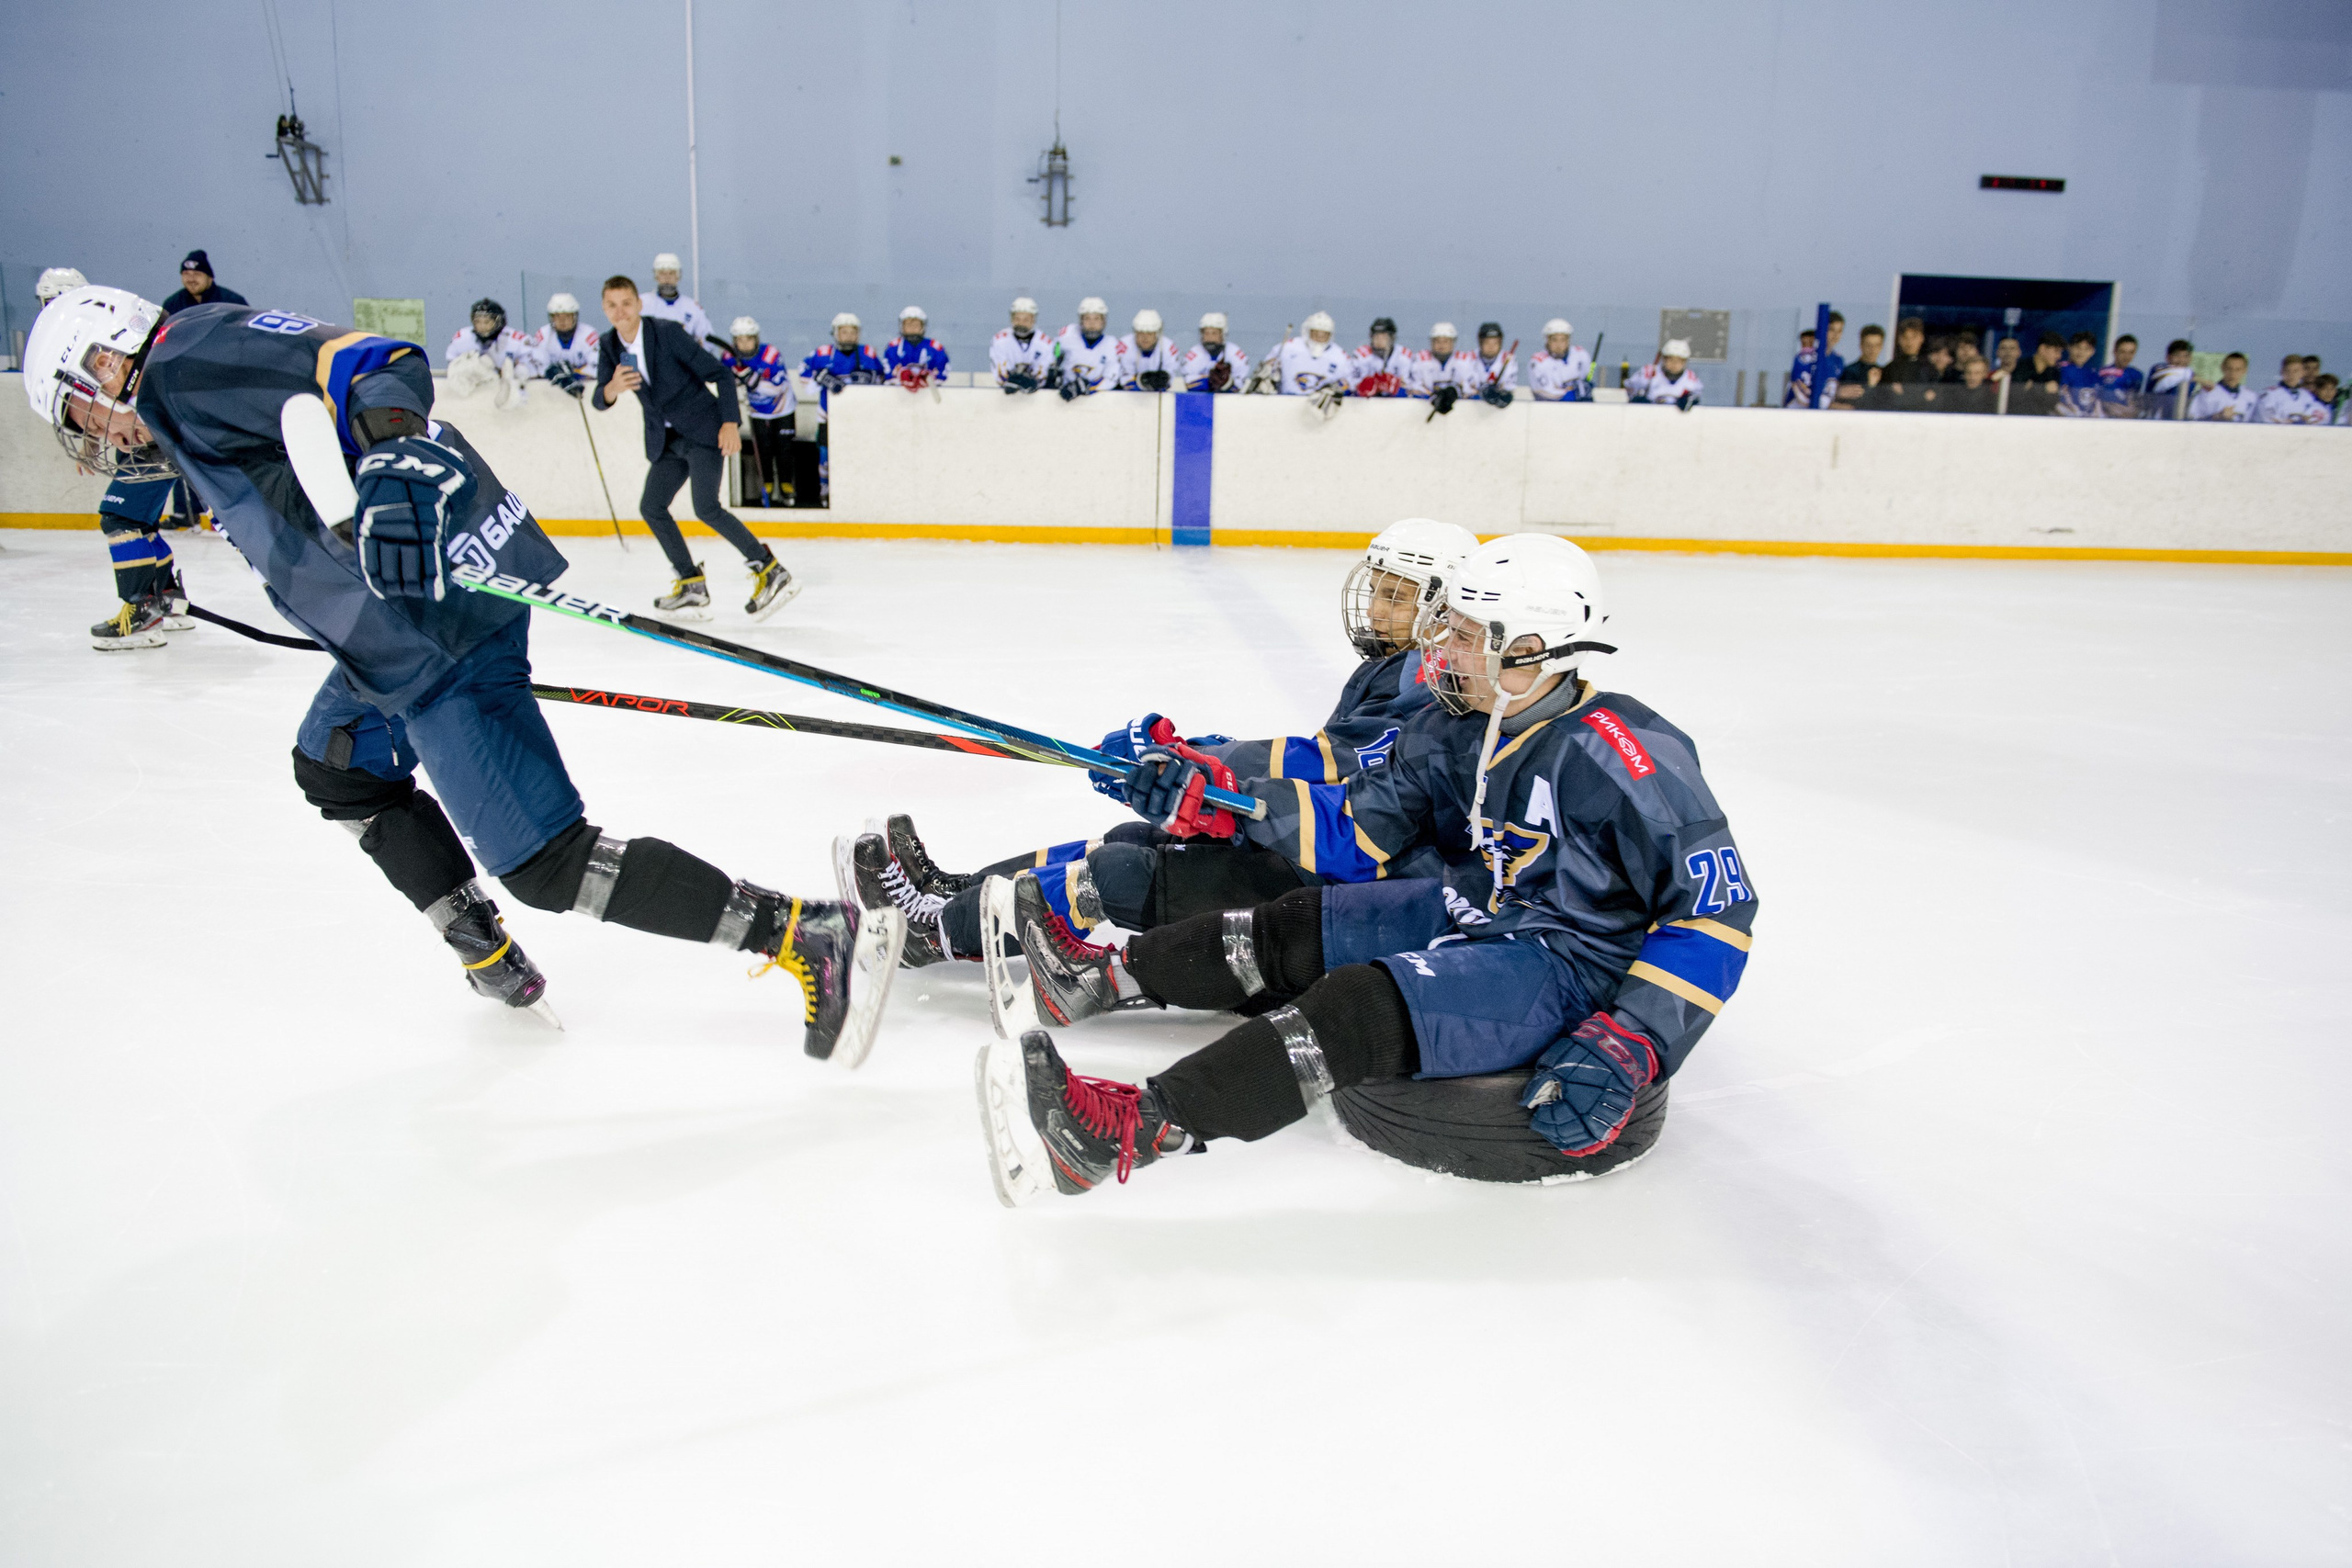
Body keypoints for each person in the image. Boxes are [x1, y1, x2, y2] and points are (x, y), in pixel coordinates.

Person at [23, 284, 899, 1047]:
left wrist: (399, 460)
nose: (90, 432)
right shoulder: (187, 375)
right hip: (395, 634)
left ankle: (805, 935)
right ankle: (484, 949)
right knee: (335, 764)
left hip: (433, 631)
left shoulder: (185, 359)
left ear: (100, 365)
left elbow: (367, 360)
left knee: (549, 865)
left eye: (77, 410)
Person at [976, 534, 1755, 1201]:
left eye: (1464, 634)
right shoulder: (1457, 728)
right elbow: (1356, 827)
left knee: (1358, 1004)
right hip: (1492, 907)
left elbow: (1716, 910)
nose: (1439, 648)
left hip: (1579, 963)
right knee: (1298, 923)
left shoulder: (1628, 754)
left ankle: (1124, 1132)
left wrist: (1633, 1037)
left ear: (1526, 652)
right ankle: (1107, 978)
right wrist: (1213, 799)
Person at [854, 519, 1482, 968]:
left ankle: (937, 931)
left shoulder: (1431, 687)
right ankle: (955, 892)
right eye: (1377, 586)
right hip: (1335, 848)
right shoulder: (1400, 667)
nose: (1374, 604)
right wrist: (1196, 756)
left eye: (1396, 594)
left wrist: (1197, 758)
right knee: (1130, 838)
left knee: (1126, 865)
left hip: (1364, 880)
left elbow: (1326, 765)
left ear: (1440, 605)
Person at [594, 275, 796, 618]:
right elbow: (600, 398)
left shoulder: (667, 333)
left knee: (706, 507)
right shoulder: (610, 345)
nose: (620, 312)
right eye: (612, 305)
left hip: (704, 430)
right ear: (604, 309)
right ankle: (691, 584)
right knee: (652, 506)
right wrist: (612, 387)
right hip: (667, 439)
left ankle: (770, 569)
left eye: (626, 303)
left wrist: (730, 423)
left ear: (639, 304)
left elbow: (720, 374)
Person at [723, 317, 797, 507]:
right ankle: (767, 487)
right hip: (757, 410)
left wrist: (750, 378)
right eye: (740, 339)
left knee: (784, 450)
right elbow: (722, 381)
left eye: (749, 338)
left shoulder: (771, 354)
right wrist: (735, 380)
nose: (745, 343)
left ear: (756, 338)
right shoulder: (728, 356)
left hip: (782, 408)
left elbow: (778, 387)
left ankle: (787, 487)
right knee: (764, 450)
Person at [444, 298, 537, 407]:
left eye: (487, 322)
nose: (482, 327)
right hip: (474, 393)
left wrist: (518, 371)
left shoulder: (515, 339)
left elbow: (533, 366)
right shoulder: (462, 338)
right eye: (478, 322)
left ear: (498, 321)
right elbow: (452, 364)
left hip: (504, 392)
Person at [640, 252, 723, 353]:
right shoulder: (642, 303)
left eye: (671, 273)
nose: (667, 278)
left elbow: (708, 340)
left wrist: (697, 349)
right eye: (662, 273)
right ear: (656, 276)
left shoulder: (692, 307)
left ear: (678, 276)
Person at [528, 293, 600, 396]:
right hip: (552, 395)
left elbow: (596, 367)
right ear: (552, 318)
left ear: (575, 317)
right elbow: (538, 368)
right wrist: (553, 372)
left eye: (567, 316)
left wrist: (574, 373)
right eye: (557, 316)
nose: (562, 321)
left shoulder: (589, 335)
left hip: (585, 393)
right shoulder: (543, 335)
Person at [1051, 297, 1121, 400]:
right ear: (1081, 320)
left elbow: (1111, 378)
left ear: (1104, 321)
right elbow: (1054, 354)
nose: (1092, 323)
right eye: (1087, 318)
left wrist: (1087, 386)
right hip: (1065, 398)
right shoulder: (1067, 336)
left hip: (1098, 403)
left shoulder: (1113, 345)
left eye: (1096, 318)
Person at [1268, 311, 1350, 399]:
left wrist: (1338, 390)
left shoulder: (1340, 356)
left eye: (1324, 334)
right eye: (1315, 333)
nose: (1319, 338)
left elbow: (1348, 384)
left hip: (1321, 405)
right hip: (1287, 400)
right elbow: (1267, 368)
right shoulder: (1287, 347)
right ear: (1307, 331)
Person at [990, 297, 1055, 392]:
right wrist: (1012, 381)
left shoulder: (1045, 343)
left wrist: (1032, 382)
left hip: (1036, 397)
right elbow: (1001, 375)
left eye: (1026, 319)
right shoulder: (1000, 340)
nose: (1021, 323)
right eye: (1017, 319)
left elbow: (1042, 375)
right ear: (1011, 319)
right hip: (1006, 397)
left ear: (1033, 320)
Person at [1408, 322, 1474, 412]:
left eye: (1446, 341)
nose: (1441, 345)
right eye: (1437, 341)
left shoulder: (1464, 361)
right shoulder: (1420, 360)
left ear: (1453, 342)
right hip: (1425, 410)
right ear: (1431, 342)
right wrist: (1431, 395)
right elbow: (1413, 387)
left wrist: (1455, 392)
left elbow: (1471, 388)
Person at [881, 305, 951, 389]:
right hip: (898, 395)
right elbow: (889, 374)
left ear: (923, 326)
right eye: (908, 324)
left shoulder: (935, 347)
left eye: (916, 324)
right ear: (902, 326)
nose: (912, 328)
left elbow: (942, 372)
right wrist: (901, 377)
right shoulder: (893, 347)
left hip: (927, 395)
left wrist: (930, 378)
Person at [159, 250, 245, 316]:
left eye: (197, 274)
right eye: (186, 274)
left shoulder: (233, 302)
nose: (191, 279)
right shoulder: (172, 304)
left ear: (210, 278)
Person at [1113, 310, 1183, 390]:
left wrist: (1164, 380)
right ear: (1135, 332)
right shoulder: (1124, 346)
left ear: (1157, 334)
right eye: (1141, 333)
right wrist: (1142, 380)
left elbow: (1168, 380)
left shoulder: (1169, 348)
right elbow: (1126, 382)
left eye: (1149, 333)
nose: (1145, 338)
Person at [1526, 319, 1592, 401]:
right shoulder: (1538, 362)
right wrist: (1572, 394)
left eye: (1563, 340)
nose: (1559, 345)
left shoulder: (1580, 355)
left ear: (1568, 341)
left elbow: (1584, 380)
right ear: (1547, 340)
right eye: (1554, 340)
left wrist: (1584, 389)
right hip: (1548, 409)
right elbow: (1545, 394)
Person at [1181, 311, 1249, 391]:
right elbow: (1188, 383)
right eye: (1206, 333)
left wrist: (1227, 384)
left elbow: (1240, 382)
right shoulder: (1194, 353)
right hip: (1199, 400)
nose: (1209, 338)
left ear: (1222, 334)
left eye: (1214, 333)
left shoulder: (1235, 353)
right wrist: (1209, 382)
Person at [2254, 354, 2330, 424]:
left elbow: (2323, 415)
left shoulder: (2306, 396)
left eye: (2295, 371)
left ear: (2302, 373)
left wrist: (2308, 419)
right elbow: (2265, 416)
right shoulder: (2270, 393)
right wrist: (2287, 421)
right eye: (2287, 371)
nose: (2291, 375)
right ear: (2281, 372)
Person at [1627, 339, 1702, 407]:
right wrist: (1637, 399)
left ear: (1685, 362)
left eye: (1679, 360)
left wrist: (1689, 401)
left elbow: (1695, 398)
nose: (1674, 364)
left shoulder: (1691, 379)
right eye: (1670, 359)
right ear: (1664, 359)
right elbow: (1630, 390)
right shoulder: (1648, 373)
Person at [1349, 317, 1412, 397]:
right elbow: (1351, 383)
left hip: (1395, 401)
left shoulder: (1404, 356)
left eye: (1383, 336)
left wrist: (1396, 385)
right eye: (1376, 336)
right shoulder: (1362, 355)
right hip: (1368, 401)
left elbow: (1410, 386)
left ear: (1392, 338)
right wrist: (1367, 384)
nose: (1379, 340)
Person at [2006, 333, 2066, 415]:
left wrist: (2031, 387)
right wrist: (2044, 388)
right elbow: (2016, 395)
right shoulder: (2022, 366)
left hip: (2041, 420)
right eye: (2056, 351)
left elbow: (2052, 402)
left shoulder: (2054, 372)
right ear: (2042, 349)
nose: (2059, 356)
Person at [2188, 353, 2259, 421]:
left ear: (2245, 370)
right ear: (2222, 367)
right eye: (2229, 368)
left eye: (2238, 369)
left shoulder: (2251, 396)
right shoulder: (2208, 392)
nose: (2233, 373)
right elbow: (2193, 420)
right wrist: (2218, 416)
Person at [1463, 322, 1517, 407]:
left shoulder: (1508, 359)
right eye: (1487, 343)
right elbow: (1467, 388)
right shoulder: (1469, 358)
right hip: (1472, 407)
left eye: (1495, 343)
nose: (1491, 347)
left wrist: (1503, 394)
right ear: (1480, 343)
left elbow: (1509, 387)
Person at [2144, 339, 2197, 419]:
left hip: (2178, 418)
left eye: (2186, 356)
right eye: (2177, 355)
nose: (2181, 360)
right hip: (2155, 418)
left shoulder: (2190, 375)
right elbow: (2165, 375)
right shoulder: (2158, 368)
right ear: (2168, 357)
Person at [2054, 332, 2102, 416]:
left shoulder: (2093, 373)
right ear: (2069, 348)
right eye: (2077, 347)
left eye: (2086, 349)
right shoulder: (2061, 369)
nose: (2081, 352)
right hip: (2068, 420)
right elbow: (2058, 400)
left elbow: (2097, 401)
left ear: (2092, 352)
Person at [1837, 323, 1886, 393]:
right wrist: (1869, 386)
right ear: (1861, 345)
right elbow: (1851, 400)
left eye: (1877, 345)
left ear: (1881, 347)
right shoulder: (1850, 372)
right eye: (1868, 345)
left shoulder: (1884, 373)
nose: (1873, 349)